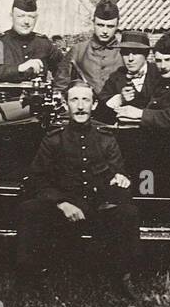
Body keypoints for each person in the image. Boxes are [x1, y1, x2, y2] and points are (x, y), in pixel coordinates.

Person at [15, 80, 140, 288]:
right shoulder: (53, 139)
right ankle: (29, 277)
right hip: (64, 209)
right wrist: (62, 203)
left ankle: (123, 278)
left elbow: (120, 174)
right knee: (29, 209)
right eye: (74, 100)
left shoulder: (106, 139)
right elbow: (37, 179)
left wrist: (121, 180)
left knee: (128, 212)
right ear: (66, 105)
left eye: (85, 100)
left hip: (98, 208)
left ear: (94, 105)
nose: (80, 106)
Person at [110, 27, 170, 133]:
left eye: (168, 60)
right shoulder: (157, 81)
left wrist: (140, 114)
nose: (162, 66)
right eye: (158, 60)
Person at [0, 0, 68, 90]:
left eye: (31, 17)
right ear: (11, 16)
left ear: (36, 18)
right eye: (21, 16)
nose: (26, 22)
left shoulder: (44, 44)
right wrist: (19, 69)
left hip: (37, 105)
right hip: (4, 104)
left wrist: (57, 92)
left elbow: (64, 72)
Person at [63, 0, 124, 98]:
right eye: (100, 25)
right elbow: (61, 86)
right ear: (93, 23)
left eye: (110, 26)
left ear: (117, 26)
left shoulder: (124, 53)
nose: (105, 31)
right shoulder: (78, 50)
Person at [98, 31, 158, 119]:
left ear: (146, 54)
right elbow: (100, 113)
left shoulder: (160, 74)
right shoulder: (116, 77)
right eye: (126, 53)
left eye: (135, 53)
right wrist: (120, 99)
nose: (130, 59)